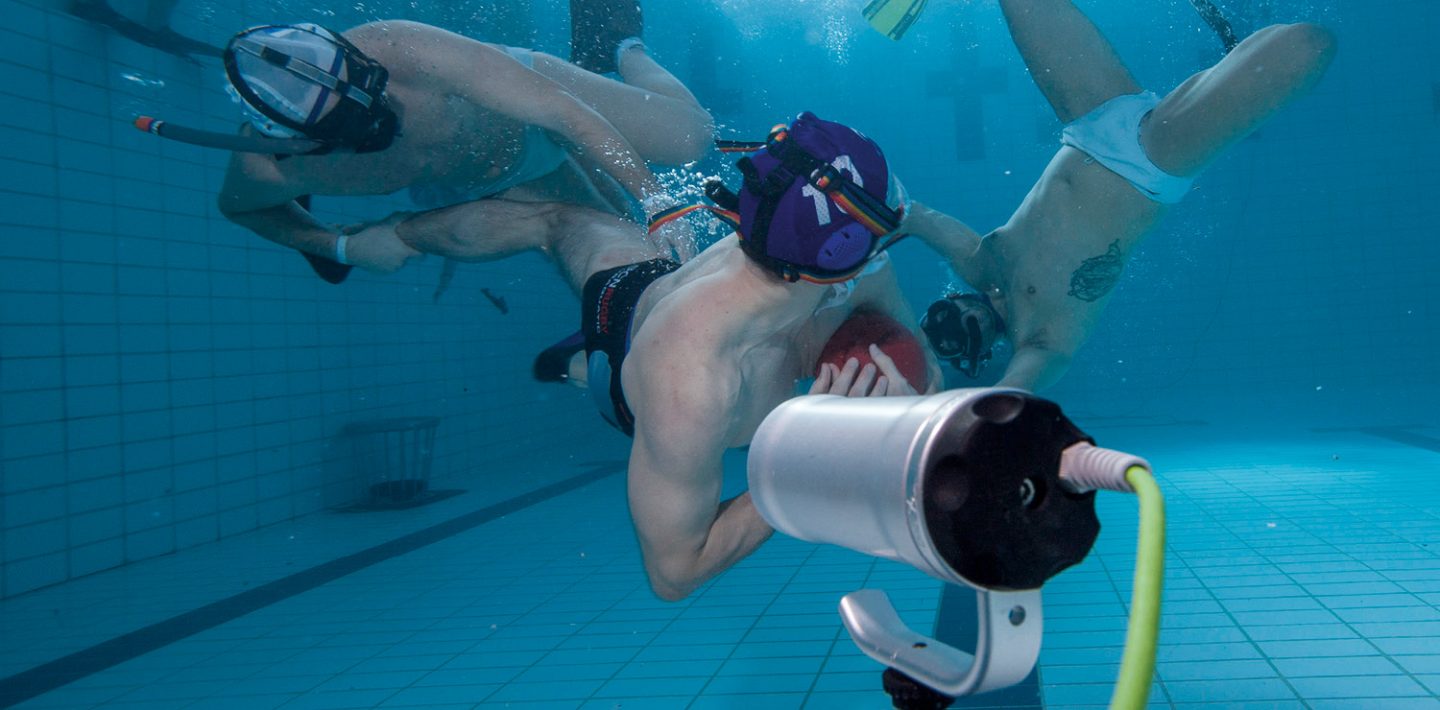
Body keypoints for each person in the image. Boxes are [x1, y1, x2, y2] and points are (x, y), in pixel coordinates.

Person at [377, 113, 940, 600]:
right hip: (626, 332)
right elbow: (674, 574)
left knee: (574, 219)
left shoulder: (848, 263)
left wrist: (902, 413)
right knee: (555, 226)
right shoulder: (691, 382)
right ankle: (383, 239)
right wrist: (805, 457)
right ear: (836, 256)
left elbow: (925, 368)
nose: (885, 244)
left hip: (676, 288)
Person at [906, 0, 1336, 392]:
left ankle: (1236, 44)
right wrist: (969, 409)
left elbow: (911, 215)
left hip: (1090, 118)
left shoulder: (981, 263)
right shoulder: (1039, 337)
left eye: (941, 320)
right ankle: (1240, 42)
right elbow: (1016, 389)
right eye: (951, 339)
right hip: (1151, 160)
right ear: (976, 354)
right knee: (1310, 44)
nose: (960, 323)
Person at [212, 1, 712, 285]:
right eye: (354, 127)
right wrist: (337, 246)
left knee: (691, 137)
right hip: (517, 175)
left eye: (372, 88)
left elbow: (564, 111)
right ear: (302, 144)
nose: (383, 116)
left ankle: (619, 47)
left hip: (535, 98)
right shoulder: (273, 170)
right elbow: (243, 209)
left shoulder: (401, 46)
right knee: (632, 258)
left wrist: (661, 203)